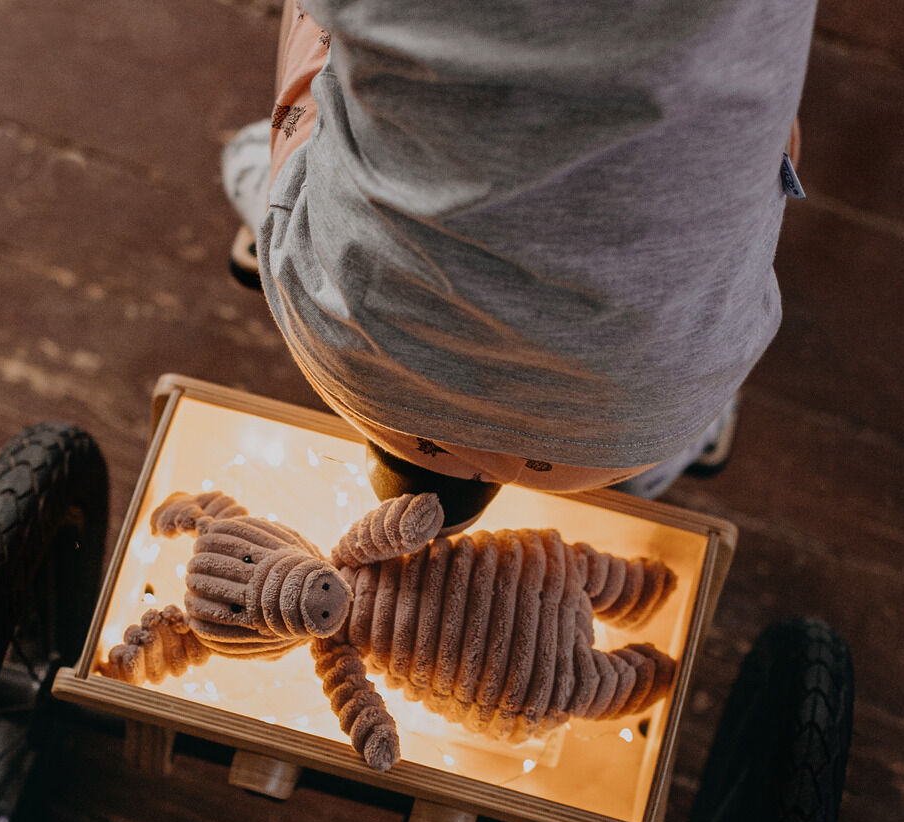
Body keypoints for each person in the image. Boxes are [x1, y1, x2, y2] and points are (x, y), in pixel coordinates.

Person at [222, 0, 812, 525]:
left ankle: (266, 185)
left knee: (310, 49)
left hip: (352, 351)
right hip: (644, 415)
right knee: (757, 138)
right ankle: (671, 459)